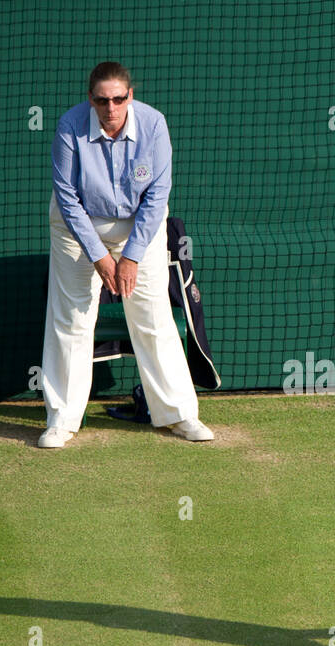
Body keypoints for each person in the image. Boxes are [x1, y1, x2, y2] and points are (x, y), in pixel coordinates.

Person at [39, 61, 213, 448]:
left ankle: (179, 415)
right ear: (91, 100)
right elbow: (67, 199)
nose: (111, 109)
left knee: (153, 316)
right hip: (78, 224)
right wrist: (101, 257)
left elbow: (157, 196)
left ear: (130, 96)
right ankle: (62, 420)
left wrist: (130, 257)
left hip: (140, 225)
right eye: (102, 100)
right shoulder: (70, 127)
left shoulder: (154, 125)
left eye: (118, 99)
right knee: (72, 318)